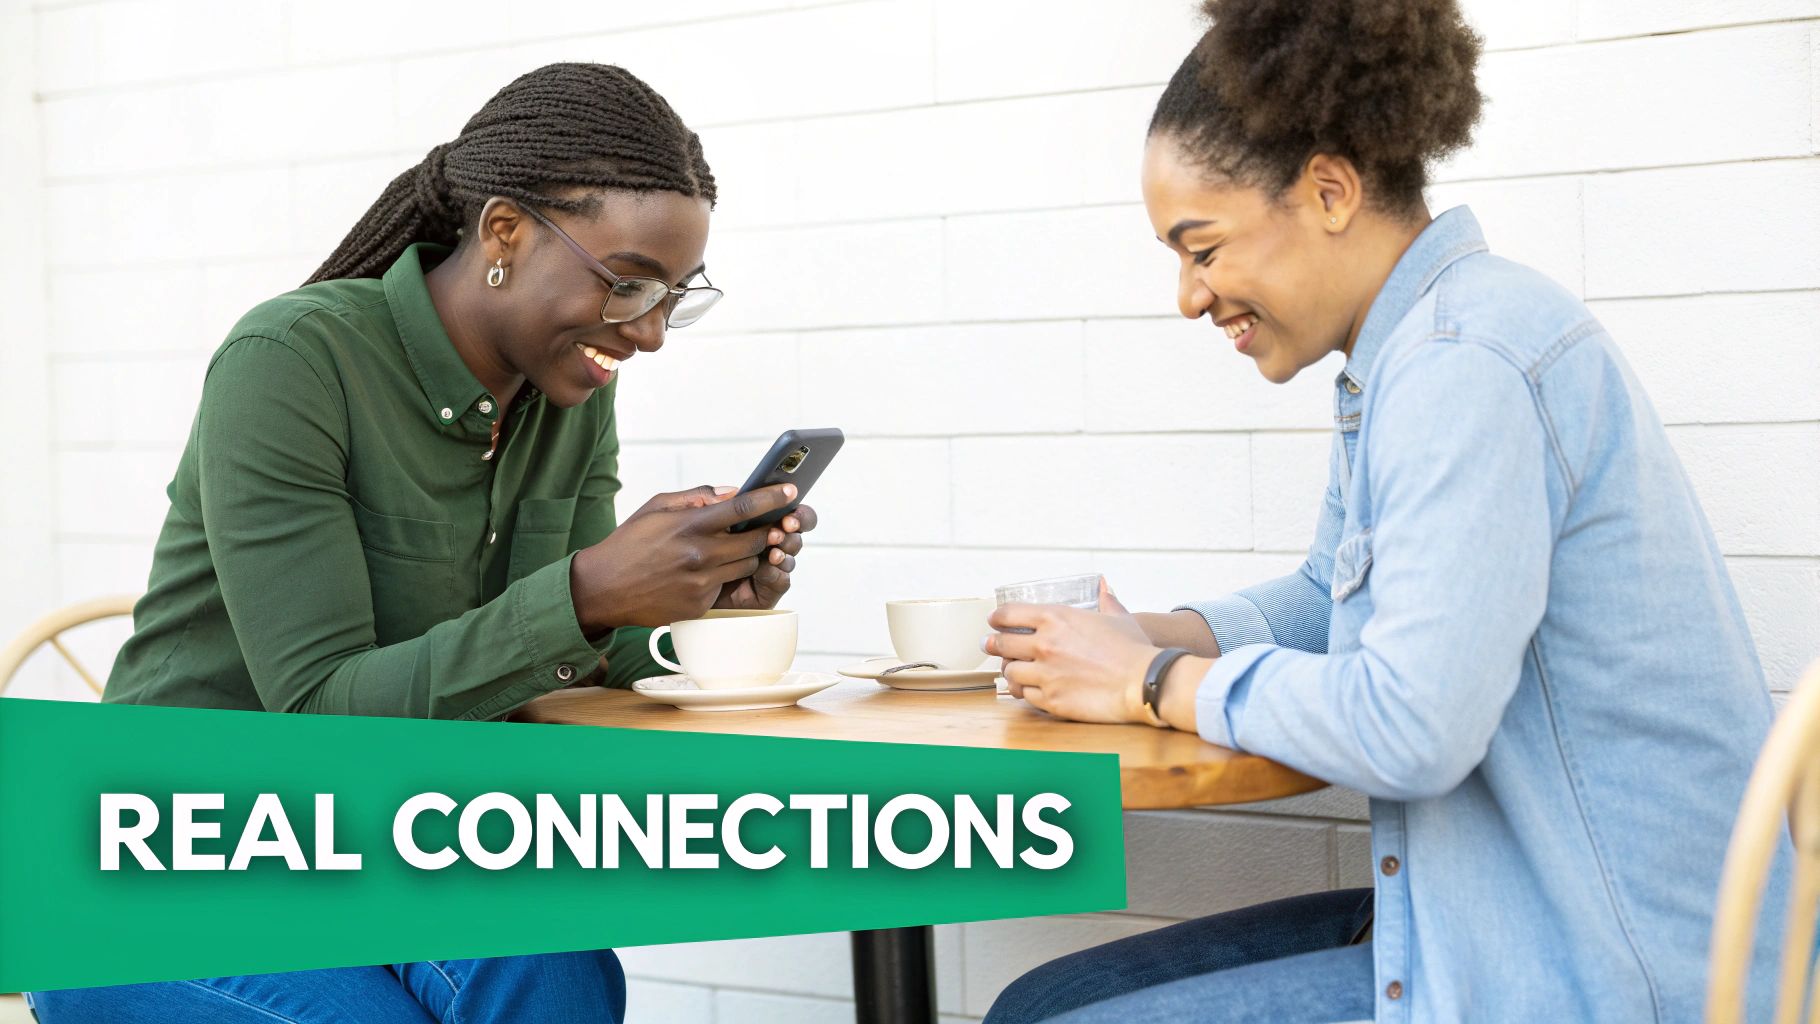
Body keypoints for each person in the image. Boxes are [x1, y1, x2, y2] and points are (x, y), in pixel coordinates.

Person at [979, 1, 1789, 1021]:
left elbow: (1412, 727)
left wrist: (1149, 681)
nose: (1188, 296)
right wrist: (1141, 635)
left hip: (1598, 968)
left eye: (1202, 247)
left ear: (1326, 189)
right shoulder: (1412, 352)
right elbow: (1332, 589)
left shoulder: (1464, 364)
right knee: (1042, 1001)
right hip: (1492, 908)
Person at [27, 62, 815, 1024]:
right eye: (626, 287)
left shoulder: (568, 391)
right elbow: (322, 710)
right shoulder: (290, 362)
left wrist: (693, 614)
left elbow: (556, 659)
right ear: (505, 233)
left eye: (674, 296)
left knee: (558, 968)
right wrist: (590, 593)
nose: (647, 333)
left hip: (375, 841)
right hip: (162, 861)